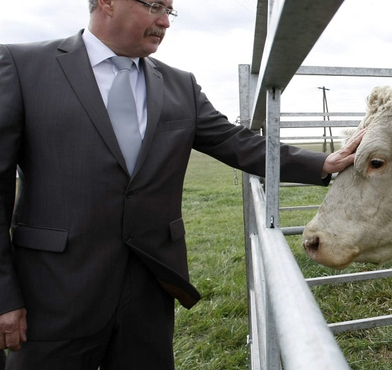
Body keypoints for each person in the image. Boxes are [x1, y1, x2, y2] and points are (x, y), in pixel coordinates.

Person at [0, 0, 364, 368]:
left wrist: (323, 163)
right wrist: (3, 296)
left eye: (169, 11)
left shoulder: (179, 85)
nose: (165, 22)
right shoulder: (23, 67)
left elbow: (237, 143)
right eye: (155, 6)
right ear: (107, 3)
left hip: (149, 287)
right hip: (52, 292)